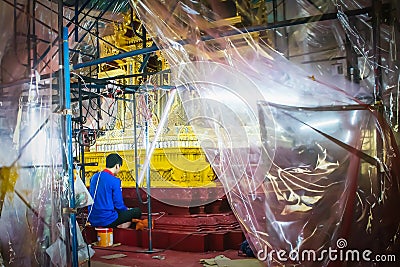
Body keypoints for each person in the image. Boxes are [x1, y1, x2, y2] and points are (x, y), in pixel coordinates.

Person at [88, 153, 141, 228]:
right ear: (117, 166)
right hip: (107, 220)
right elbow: (118, 204)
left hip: (93, 219)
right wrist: (127, 210)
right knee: (137, 211)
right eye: (119, 167)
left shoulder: (94, 177)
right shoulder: (115, 181)